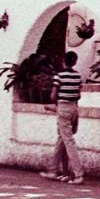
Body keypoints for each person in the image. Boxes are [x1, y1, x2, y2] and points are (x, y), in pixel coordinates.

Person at [40, 52, 84, 185]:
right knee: (62, 139)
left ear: (63, 61)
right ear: (75, 62)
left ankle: (78, 174)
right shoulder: (78, 76)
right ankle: (54, 170)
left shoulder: (59, 76)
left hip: (63, 108)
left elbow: (53, 96)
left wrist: (55, 102)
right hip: (74, 108)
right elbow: (78, 95)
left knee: (68, 141)